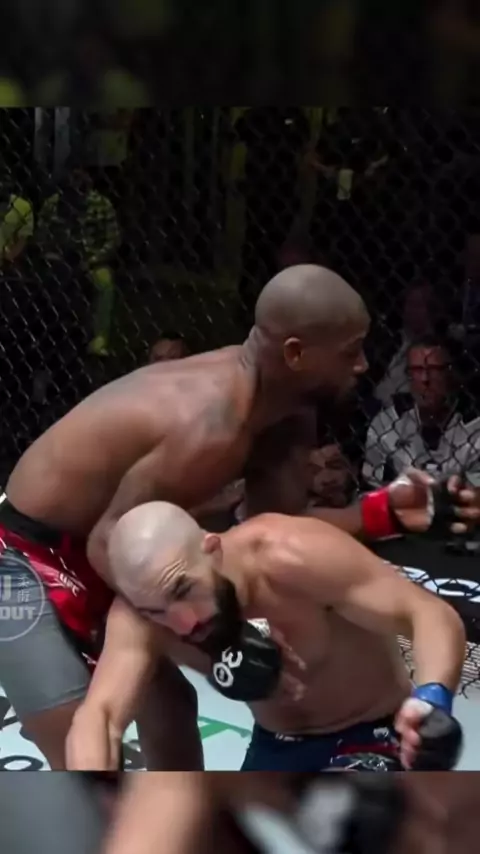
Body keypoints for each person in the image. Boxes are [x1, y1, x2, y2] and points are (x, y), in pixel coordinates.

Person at [0, 263, 478, 772]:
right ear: (295, 353)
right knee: (81, 743)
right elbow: (107, 541)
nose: (363, 364)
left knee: (170, 708)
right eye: (349, 351)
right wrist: (222, 643)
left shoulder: (288, 409)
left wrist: (383, 513)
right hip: (25, 554)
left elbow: (278, 531)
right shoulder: (212, 426)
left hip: (126, 549)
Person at [67, 500, 465, 773]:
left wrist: (431, 697)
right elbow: (100, 716)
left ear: (212, 549)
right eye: (156, 611)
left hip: (378, 733)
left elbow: (428, 614)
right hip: (276, 745)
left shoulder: (293, 556)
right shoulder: (140, 612)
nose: (184, 623)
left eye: (184, 590)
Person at [363, 336, 480, 488]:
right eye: (417, 370)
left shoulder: (475, 427)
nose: (425, 379)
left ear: (451, 374)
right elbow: (371, 485)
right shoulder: (388, 423)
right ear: (408, 376)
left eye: (434, 369)